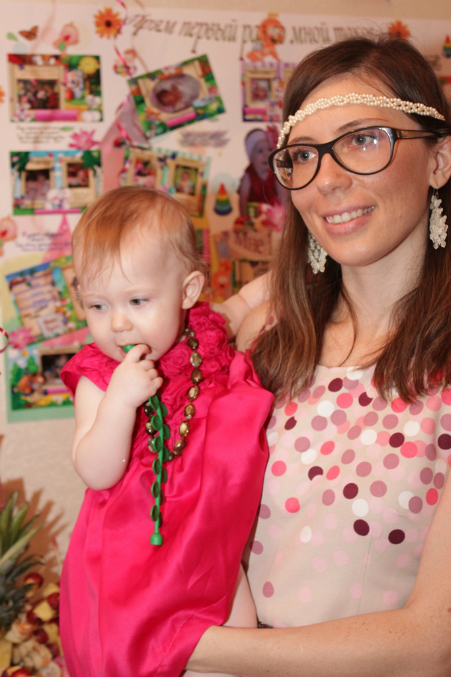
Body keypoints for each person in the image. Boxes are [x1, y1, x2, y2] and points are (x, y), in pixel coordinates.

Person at [187, 36, 451, 676]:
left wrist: (171, 643)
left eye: (363, 139)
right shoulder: (264, 343)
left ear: (439, 160)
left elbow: (431, 642)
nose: (326, 180)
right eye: (303, 154)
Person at [59, 186, 273, 677]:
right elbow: (95, 471)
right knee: (145, 652)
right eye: (97, 306)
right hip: (137, 554)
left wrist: (311, 267)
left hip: (209, 534)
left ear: (188, 292)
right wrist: (119, 403)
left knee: (241, 641)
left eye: (137, 300)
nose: (117, 324)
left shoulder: (204, 332)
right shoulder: (99, 377)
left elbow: (251, 296)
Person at [238, 129, 285, 216]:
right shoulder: (249, 175)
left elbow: (282, 195)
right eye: (260, 151)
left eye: (269, 149)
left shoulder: (275, 173)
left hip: (273, 215)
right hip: (254, 215)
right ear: (251, 157)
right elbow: (243, 199)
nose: (266, 155)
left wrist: (285, 214)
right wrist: (243, 218)